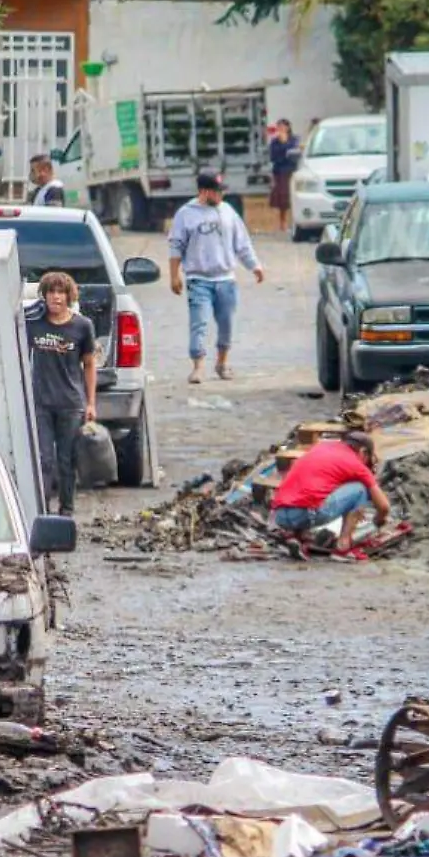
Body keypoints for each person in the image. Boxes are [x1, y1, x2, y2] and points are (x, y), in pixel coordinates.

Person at [168, 171, 265, 385]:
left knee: (226, 323)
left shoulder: (228, 212)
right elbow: (176, 245)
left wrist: (254, 266)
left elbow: (242, 244)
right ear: (203, 192)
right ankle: (198, 366)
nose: (220, 196)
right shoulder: (186, 214)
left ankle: (222, 363)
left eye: (222, 191)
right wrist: (174, 275)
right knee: (199, 323)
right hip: (198, 279)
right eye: (216, 191)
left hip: (226, 279)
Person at [26, 271, 97, 515]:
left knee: (66, 461)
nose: (55, 297)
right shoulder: (34, 323)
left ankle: (66, 510)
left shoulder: (82, 326)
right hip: (41, 404)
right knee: (44, 461)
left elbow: (89, 365)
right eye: (51, 292)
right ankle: (42, 511)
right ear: (44, 296)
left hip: (71, 404)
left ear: (69, 296)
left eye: (60, 292)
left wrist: (91, 403)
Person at [272, 432, 391, 552]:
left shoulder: (322, 447)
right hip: (306, 516)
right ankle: (344, 543)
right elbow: (384, 507)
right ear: (363, 452)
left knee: (316, 489)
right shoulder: (357, 465)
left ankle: (297, 533)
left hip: (280, 516)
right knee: (360, 489)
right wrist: (379, 520)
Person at [268, 119, 302, 232]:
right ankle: (283, 222)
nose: (281, 129)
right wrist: (282, 145)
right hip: (280, 171)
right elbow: (273, 156)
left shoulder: (294, 139)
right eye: (279, 127)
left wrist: (285, 145)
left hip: (292, 171)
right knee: (283, 198)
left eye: (283, 126)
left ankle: (295, 221)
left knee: (294, 197)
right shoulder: (274, 141)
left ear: (288, 127)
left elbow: (294, 152)